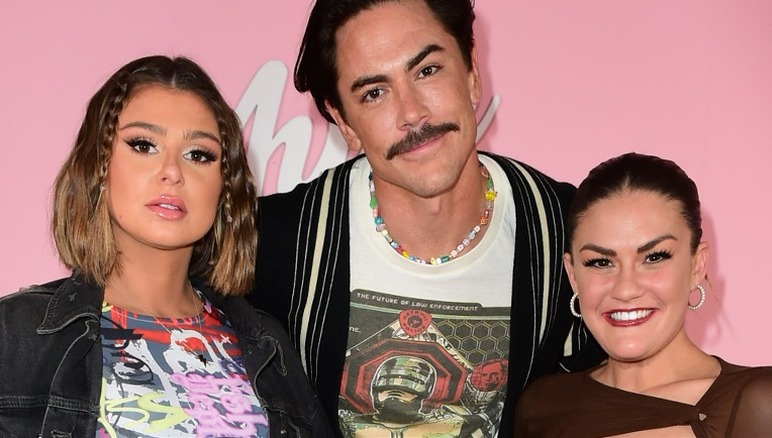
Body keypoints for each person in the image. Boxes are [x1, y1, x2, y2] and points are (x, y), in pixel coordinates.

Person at [251, 0, 604, 436]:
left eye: (428, 71)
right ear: (344, 121)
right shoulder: (276, 242)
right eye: (374, 93)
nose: (412, 112)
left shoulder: (565, 229)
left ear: (472, 71)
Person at [0, 55, 330, 437]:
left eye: (199, 154)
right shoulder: (17, 335)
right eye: (144, 145)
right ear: (99, 168)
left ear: (224, 190)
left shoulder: (270, 347)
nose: (172, 171)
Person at [515, 152, 772, 437]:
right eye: (601, 262)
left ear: (697, 266)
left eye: (654, 257)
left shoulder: (759, 403)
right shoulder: (541, 406)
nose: (626, 289)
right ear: (573, 274)